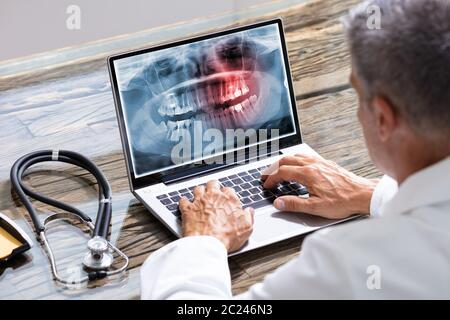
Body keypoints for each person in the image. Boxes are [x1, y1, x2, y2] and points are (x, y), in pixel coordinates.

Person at [140, 0, 450, 299]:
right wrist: (371, 194)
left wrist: (204, 240)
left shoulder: (347, 267)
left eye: (357, 93)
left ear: (383, 117)